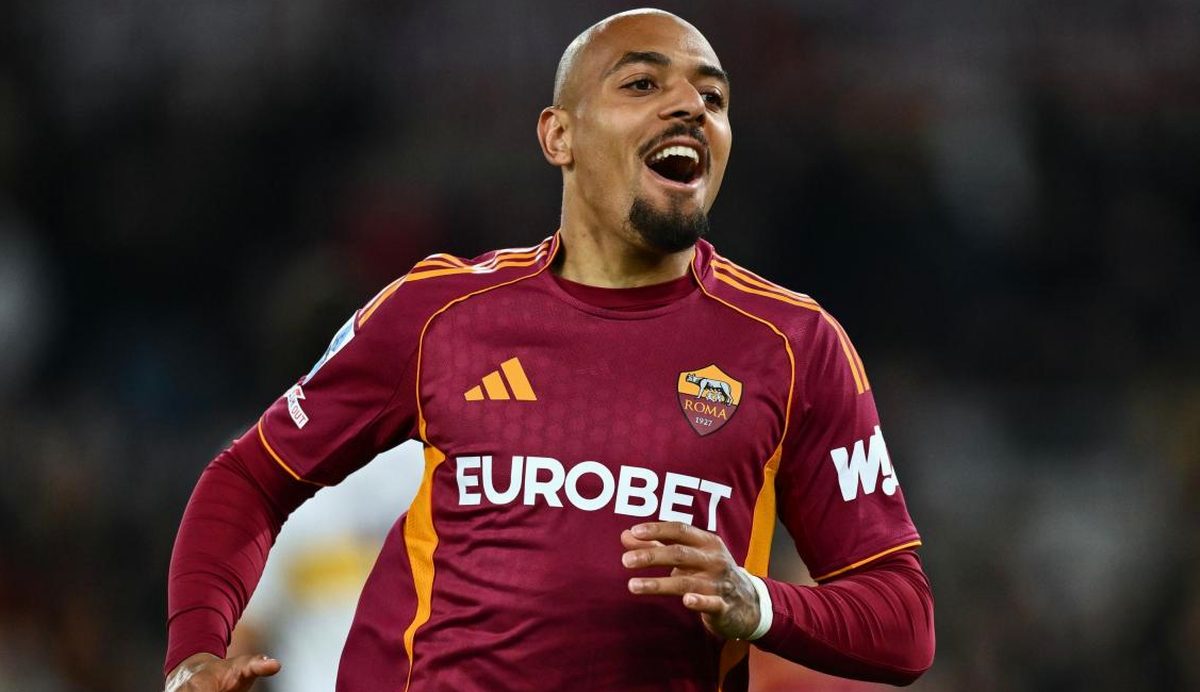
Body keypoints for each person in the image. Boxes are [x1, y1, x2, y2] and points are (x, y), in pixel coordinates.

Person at [164, 9, 935, 691]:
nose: (689, 108)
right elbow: (250, 478)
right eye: (642, 84)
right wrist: (195, 651)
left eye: (713, 98)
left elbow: (903, 622)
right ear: (558, 135)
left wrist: (757, 602)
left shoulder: (793, 345)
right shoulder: (439, 314)